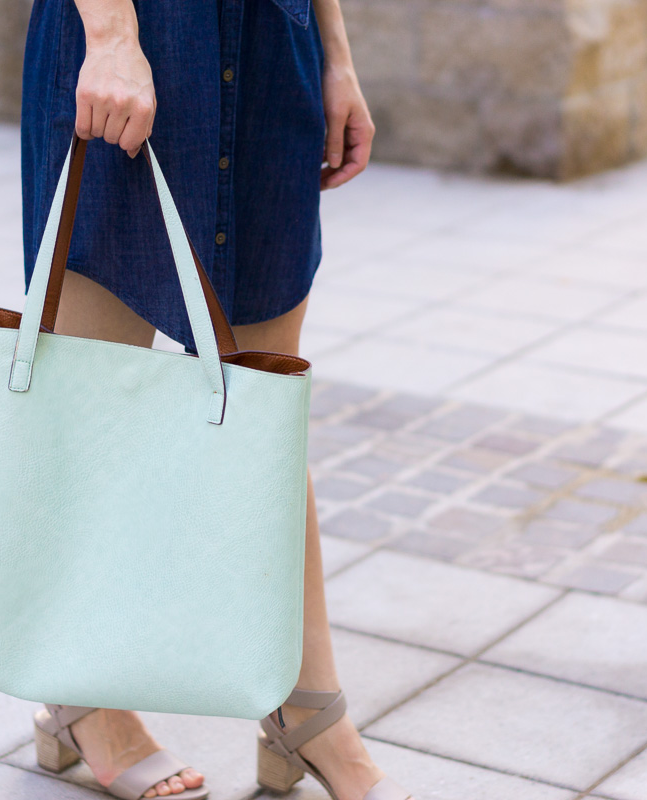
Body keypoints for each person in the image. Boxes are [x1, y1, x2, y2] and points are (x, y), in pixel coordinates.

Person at [20, 1, 409, 799]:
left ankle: (306, 708)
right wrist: (111, 36)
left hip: (273, 49)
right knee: (91, 408)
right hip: (135, 40)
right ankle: (81, 692)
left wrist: (335, 54)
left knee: (263, 417)